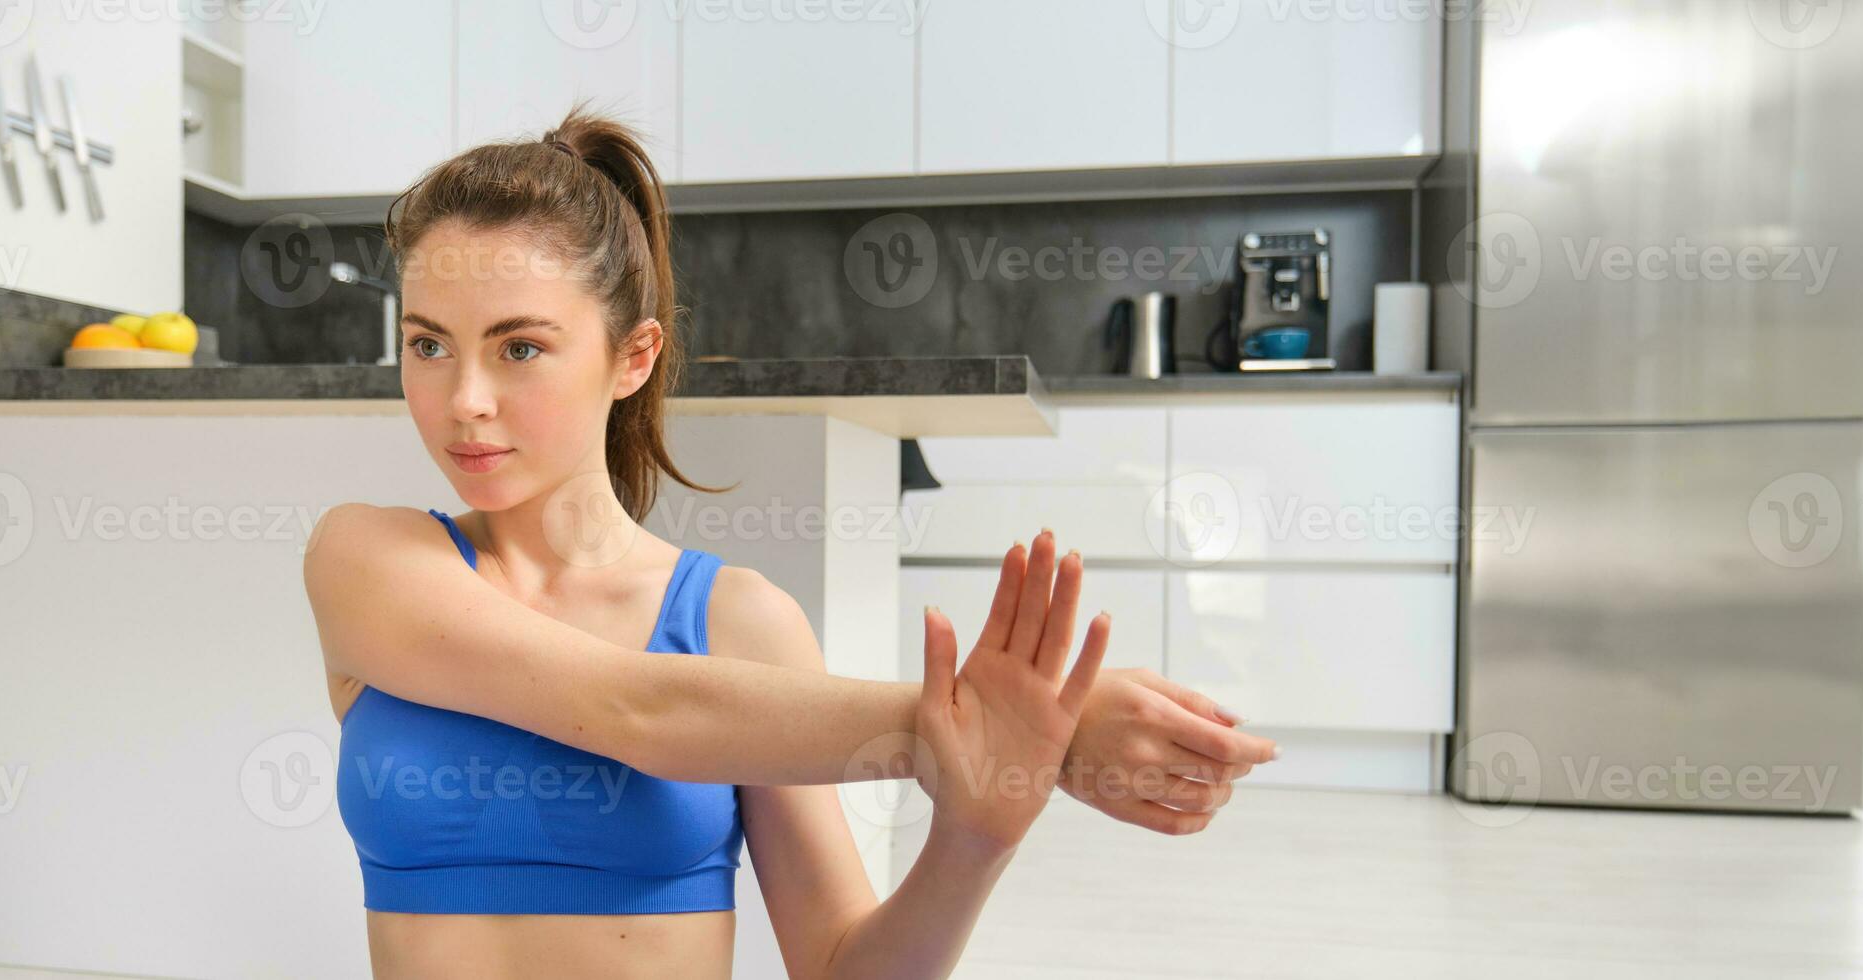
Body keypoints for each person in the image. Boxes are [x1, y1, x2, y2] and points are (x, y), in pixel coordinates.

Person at [302, 105, 1278, 978]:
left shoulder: (739, 622)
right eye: (429, 345)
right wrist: (963, 727)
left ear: (631, 356)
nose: (462, 399)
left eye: (519, 347)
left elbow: (844, 968)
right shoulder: (365, 561)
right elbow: (630, 705)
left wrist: (975, 828)